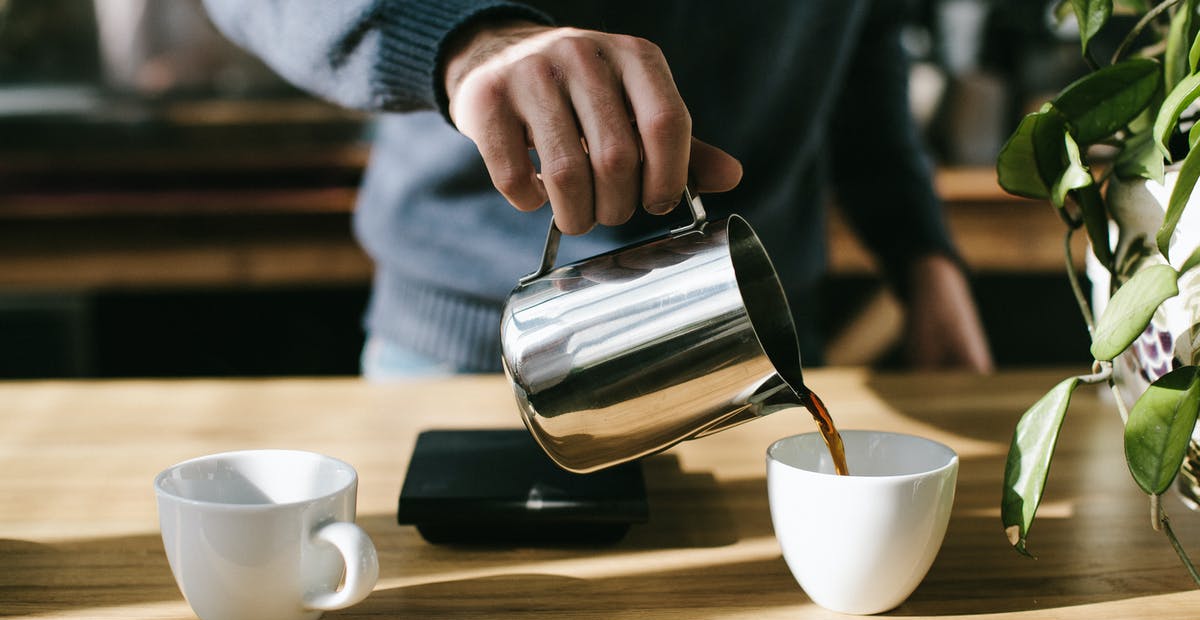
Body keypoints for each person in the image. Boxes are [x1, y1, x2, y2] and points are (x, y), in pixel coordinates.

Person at [201, 0, 993, 378]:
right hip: (477, 351)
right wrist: (466, 37)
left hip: (757, 337)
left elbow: (861, 37)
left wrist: (921, 256)